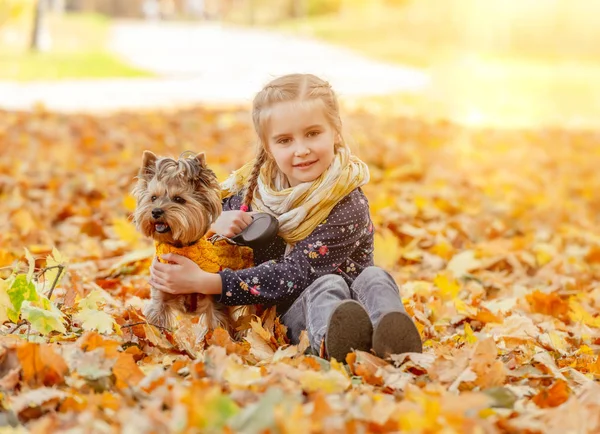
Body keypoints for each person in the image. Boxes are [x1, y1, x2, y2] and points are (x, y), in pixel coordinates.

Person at [148, 73, 422, 360]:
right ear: (268, 147)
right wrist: (211, 226)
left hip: (339, 295)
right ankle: (337, 342)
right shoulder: (251, 194)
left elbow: (295, 273)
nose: (301, 150)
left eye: (313, 134)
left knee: (374, 277)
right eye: (285, 140)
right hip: (294, 314)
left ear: (336, 132)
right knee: (328, 287)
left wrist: (208, 282)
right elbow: (191, 223)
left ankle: (392, 340)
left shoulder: (347, 203)